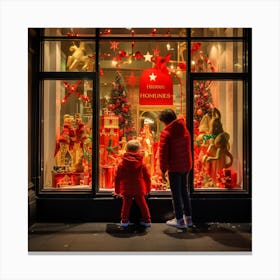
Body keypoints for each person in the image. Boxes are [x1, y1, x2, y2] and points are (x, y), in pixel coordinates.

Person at [158, 109, 193, 229]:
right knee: (184, 192)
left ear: (165, 121)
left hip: (174, 167)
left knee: (176, 194)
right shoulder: (184, 129)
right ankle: (188, 219)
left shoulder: (167, 133)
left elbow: (163, 154)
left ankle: (179, 220)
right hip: (186, 165)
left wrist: (163, 170)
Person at [114, 139, 152, 227]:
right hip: (139, 188)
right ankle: (147, 220)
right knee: (142, 204)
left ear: (126, 150)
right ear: (138, 150)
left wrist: (117, 191)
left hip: (126, 188)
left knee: (126, 205)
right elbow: (147, 177)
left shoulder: (121, 164)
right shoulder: (142, 163)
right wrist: (148, 190)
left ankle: (124, 221)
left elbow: (117, 178)